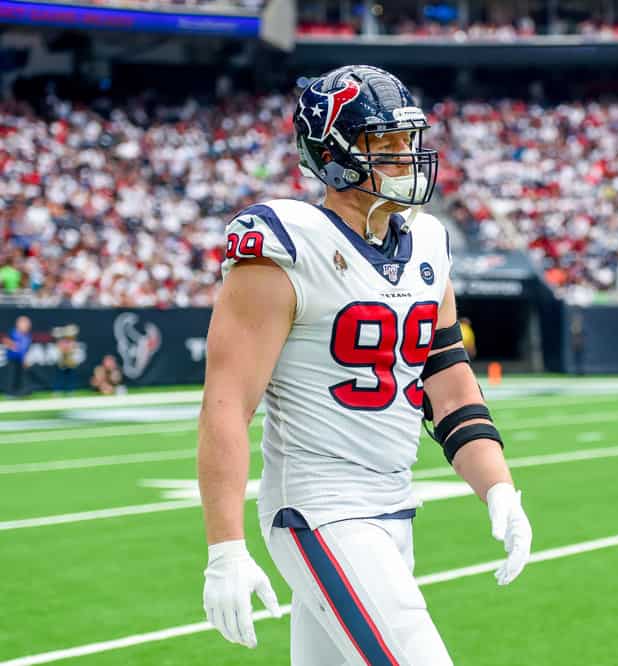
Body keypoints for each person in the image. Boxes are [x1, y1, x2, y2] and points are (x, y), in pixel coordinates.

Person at [197, 65, 532, 665]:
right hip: (321, 508)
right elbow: (227, 404)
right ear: (334, 153)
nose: (406, 155)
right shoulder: (285, 244)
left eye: (408, 140)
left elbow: (449, 387)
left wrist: (498, 486)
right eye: (386, 143)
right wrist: (225, 547)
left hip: (392, 504)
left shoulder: (427, 243)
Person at [2, 316, 33, 397]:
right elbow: (5, 341)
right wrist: (13, 346)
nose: (26, 326)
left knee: (21, 376)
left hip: (21, 359)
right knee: (12, 376)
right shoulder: (13, 332)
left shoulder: (28, 336)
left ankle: (20, 392)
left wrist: (24, 358)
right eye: (24, 323)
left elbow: (25, 348)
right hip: (13, 358)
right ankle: (10, 393)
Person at [53, 324, 81, 394]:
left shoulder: (72, 341)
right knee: (60, 377)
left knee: (70, 377)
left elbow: (72, 349)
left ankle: (70, 390)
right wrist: (64, 348)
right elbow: (60, 347)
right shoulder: (61, 340)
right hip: (62, 362)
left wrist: (69, 348)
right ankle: (58, 390)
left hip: (70, 362)